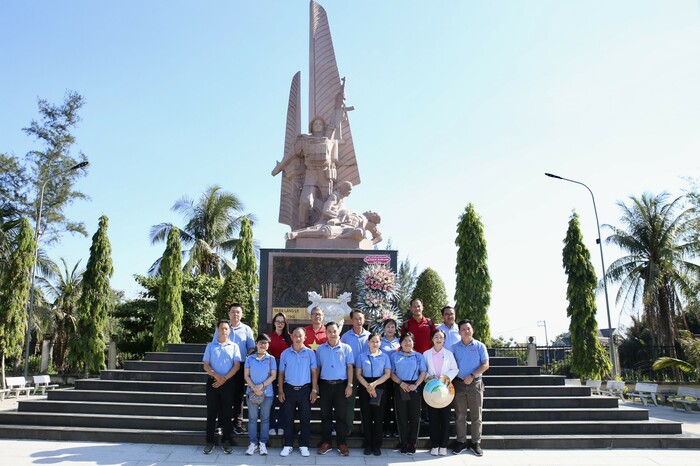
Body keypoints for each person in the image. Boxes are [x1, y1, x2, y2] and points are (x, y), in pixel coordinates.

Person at [211, 303, 255, 435]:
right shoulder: (222, 328)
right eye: (233, 312)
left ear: (241, 314)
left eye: (238, 312)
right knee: (222, 395)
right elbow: (214, 345)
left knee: (238, 396)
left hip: (240, 366)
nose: (235, 314)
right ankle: (221, 424)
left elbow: (251, 348)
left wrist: (247, 359)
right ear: (229, 314)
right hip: (223, 366)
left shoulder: (247, 329)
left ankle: (238, 424)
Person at [202, 320, 242, 455]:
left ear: (229, 331)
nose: (224, 331)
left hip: (228, 383)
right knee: (211, 413)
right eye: (221, 328)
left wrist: (223, 379)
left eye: (226, 329)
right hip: (213, 383)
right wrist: (216, 376)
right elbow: (206, 365)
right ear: (217, 330)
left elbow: (236, 366)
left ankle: (226, 441)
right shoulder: (210, 346)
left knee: (226, 413)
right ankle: (209, 442)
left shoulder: (234, 346)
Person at [314, 321, 354, 456]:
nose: (332, 334)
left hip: (341, 386)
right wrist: (316, 386)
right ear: (326, 333)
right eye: (329, 331)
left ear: (339, 332)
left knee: (341, 416)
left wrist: (350, 385)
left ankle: (342, 443)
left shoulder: (346, 348)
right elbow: (317, 368)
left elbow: (350, 367)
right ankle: (326, 442)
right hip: (325, 385)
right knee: (325, 416)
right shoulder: (320, 349)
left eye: (334, 331)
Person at [277, 327, 318, 457]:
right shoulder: (285, 353)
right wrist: (281, 390)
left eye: (300, 336)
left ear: (305, 338)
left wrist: (314, 390)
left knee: (305, 419)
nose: (298, 338)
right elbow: (281, 373)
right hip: (289, 390)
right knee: (288, 418)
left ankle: (304, 445)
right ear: (291, 337)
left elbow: (314, 372)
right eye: (295, 335)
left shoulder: (310, 353)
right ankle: (288, 445)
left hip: (305, 390)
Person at [451, 319, 490, 457]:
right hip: (459, 384)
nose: (466, 331)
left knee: (476, 415)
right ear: (459, 332)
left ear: (472, 330)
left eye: (468, 328)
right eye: (463, 329)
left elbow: (485, 365)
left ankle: (475, 443)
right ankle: (461, 441)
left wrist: (472, 375)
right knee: (460, 414)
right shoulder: (454, 347)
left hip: (475, 384)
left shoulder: (480, 346)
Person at [423, 329, 459, 456]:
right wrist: (429, 377)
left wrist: (445, 377)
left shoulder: (449, 354)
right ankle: (434, 445)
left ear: (444, 340)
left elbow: (455, 369)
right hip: (431, 390)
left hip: (445, 391)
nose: (438, 339)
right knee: (433, 419)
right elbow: (423, 370)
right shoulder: (426, 354)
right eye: (436, 337)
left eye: (441, 337)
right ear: (432, 339)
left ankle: (443, 445)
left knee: (445, 419)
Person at [355, 332, 392, 456]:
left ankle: (377, 445)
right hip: (365, 386)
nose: (375, 344)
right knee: (366, 417)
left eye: (377, 341)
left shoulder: (384, 357)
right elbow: (358, 374)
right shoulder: (361, 356)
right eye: (373, 341)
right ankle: (368, 444)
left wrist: (374, 384)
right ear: (368, 342)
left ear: (380, 343)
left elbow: (387, 373)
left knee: (378, 417)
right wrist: (368, 386)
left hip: (379, 386)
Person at [390, 332, 427, 456]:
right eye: (405, 341)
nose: (407, 343)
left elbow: (423, 372)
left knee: (414, 416)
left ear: (413, 342)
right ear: (400, 343)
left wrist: (416, 384)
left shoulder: (418, 356)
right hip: (400, 386)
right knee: (402, 416)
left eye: (410, 341)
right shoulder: (395, 356)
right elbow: (391, 373)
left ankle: (412, 442)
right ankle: (404, 442)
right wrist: (401, 383)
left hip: (414, 387)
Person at [243, 333, 277, 456]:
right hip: (251, 392)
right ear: (256, 343)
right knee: (252, 418)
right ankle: (253, 443)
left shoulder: (271, 359)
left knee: (265, 418)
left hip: (267, 394)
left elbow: (273, 376)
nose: (263, 345)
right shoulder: (249, 359)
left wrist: (261, 386)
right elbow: (246, 375)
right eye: (261, 342)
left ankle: (263, 443)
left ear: (268, 345)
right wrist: (254, 388)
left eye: (266, 343)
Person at [340, 309, 370, 435]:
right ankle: (348, 427)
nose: (358, 321)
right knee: (349, 401)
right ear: (351, 320)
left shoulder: (369, 336)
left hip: (366, 374)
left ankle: (366, 428)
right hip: (351, 373)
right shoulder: (345, 337)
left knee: (366, 402)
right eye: (356, 319)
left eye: (361, 318)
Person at [268, 312, 291, 436]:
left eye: (282, 322)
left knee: (283, 398)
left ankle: (281, 424)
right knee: (271, 398)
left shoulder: (290, 338)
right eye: (278, 322)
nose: (280, 324)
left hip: (285, 371)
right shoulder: (268, 337)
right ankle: (272, 425)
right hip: (270, 370)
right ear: (274, 323)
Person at [380, 318, 400, 438]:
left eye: (392, 327)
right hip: (384, 378)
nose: (390, 329)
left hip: (398, 377)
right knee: (386, 404)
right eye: (388, 327)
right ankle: (386, 428)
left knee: (397, 404)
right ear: (384, 329)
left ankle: (397, 428)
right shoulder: (380, 342)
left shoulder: (400, 342)